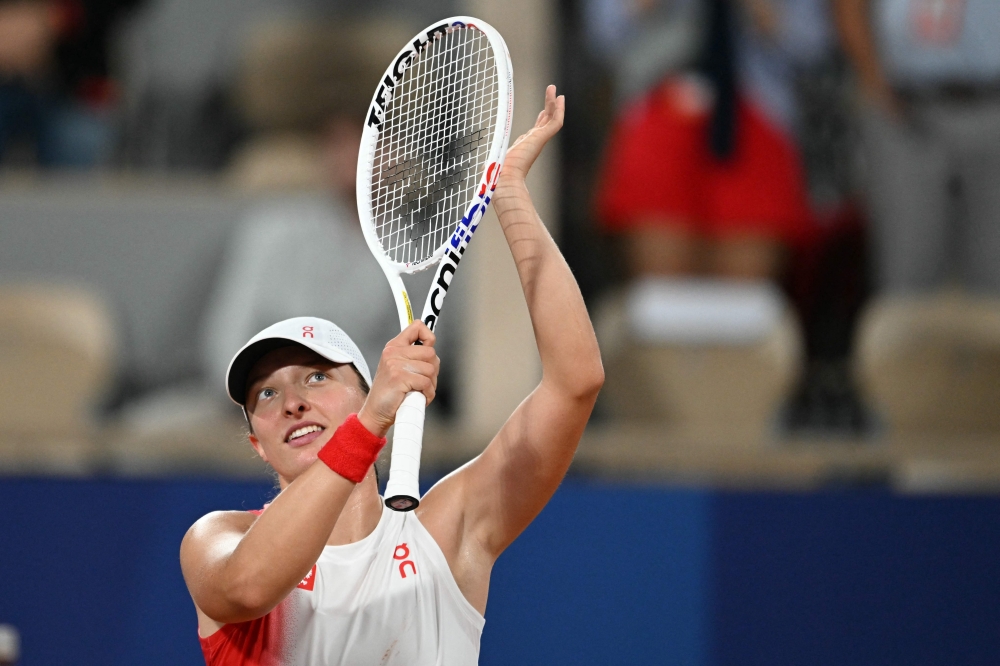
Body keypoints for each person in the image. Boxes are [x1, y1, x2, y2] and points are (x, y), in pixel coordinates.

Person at [180, 86, 604, 664]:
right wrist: (373, 419)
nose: (292, 402)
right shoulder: (215, 538)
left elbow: (574, 381)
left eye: (317, 378)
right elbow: (249, 588)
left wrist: (509, 195)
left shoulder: (448, 533)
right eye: (267, 393)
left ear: (364, 391)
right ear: (257, 442)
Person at [835, 0, 1000, 294]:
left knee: (994, 279)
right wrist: (873, 83)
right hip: (906, 108)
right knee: (907, 278)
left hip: (991, 102)